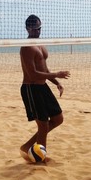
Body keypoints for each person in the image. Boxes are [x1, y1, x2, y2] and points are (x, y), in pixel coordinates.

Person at [19, 14, 71, 161]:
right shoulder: (27, 47)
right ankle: (40, 156)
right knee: (42, 125)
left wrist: (57, 82)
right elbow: (33, 74)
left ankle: (28, 146)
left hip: (43, 87)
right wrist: (58, 74)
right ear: (28, 28)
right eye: (35, 29)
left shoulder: (41, 44)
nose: (38, 31)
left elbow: (45, 70)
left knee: (58, 119)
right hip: (31, 88)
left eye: (39, 28)